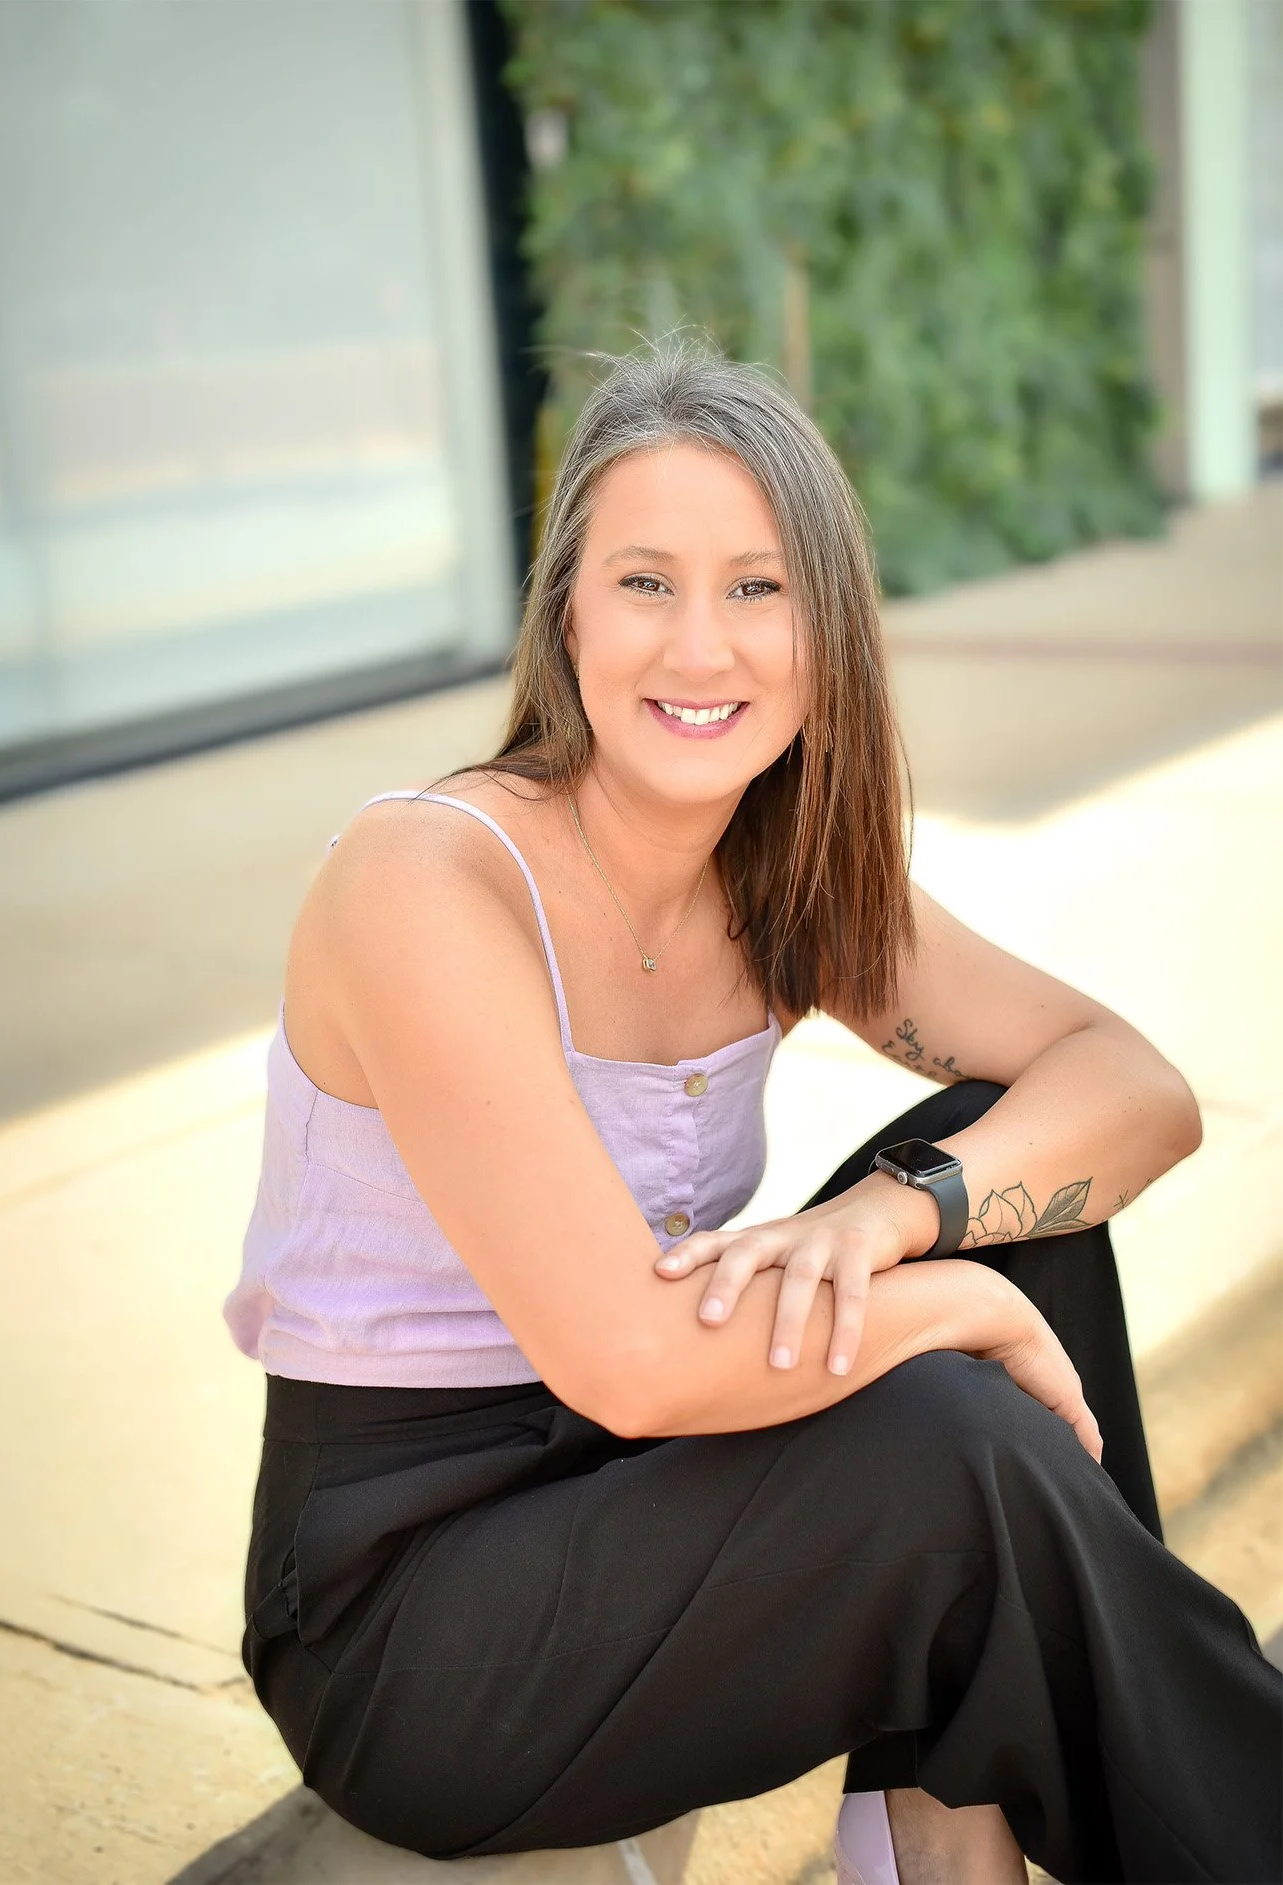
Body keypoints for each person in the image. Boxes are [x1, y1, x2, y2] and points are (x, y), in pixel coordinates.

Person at [223, 342, 1281, 1885]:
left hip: (625, 1492)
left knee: (1007, 1195)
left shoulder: (779, 883)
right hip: (409, 1617)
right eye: (645, 581)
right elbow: (636, 1361)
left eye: (758, 589)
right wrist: (950, 1306)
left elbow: (1136, 1093)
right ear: (567, 611)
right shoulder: (425, 882)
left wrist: (901, 1219)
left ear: (825, 631)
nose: (699, 648)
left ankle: (939, 1828)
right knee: (948, 1405)